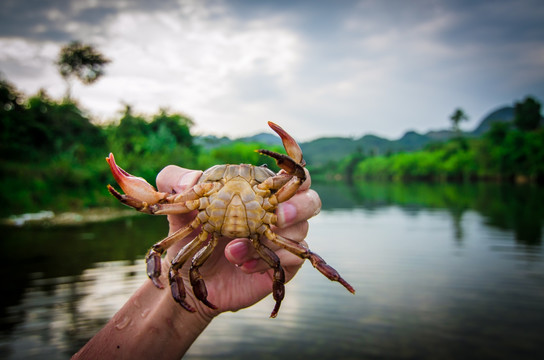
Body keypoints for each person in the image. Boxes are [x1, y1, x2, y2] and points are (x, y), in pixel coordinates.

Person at [73, 163, 322, 359]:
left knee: (286, 261)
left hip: (255, 237)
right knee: (183, 266)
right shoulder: (195, 196)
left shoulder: (275, 196)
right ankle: (184, 294)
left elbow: (296, 176)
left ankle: (278, 302)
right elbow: (155, 205)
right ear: (204, 183)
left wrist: (296, 175)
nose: (237, 177)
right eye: (222, 175)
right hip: (207, 238)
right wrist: (181, 287)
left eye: (251, 174)